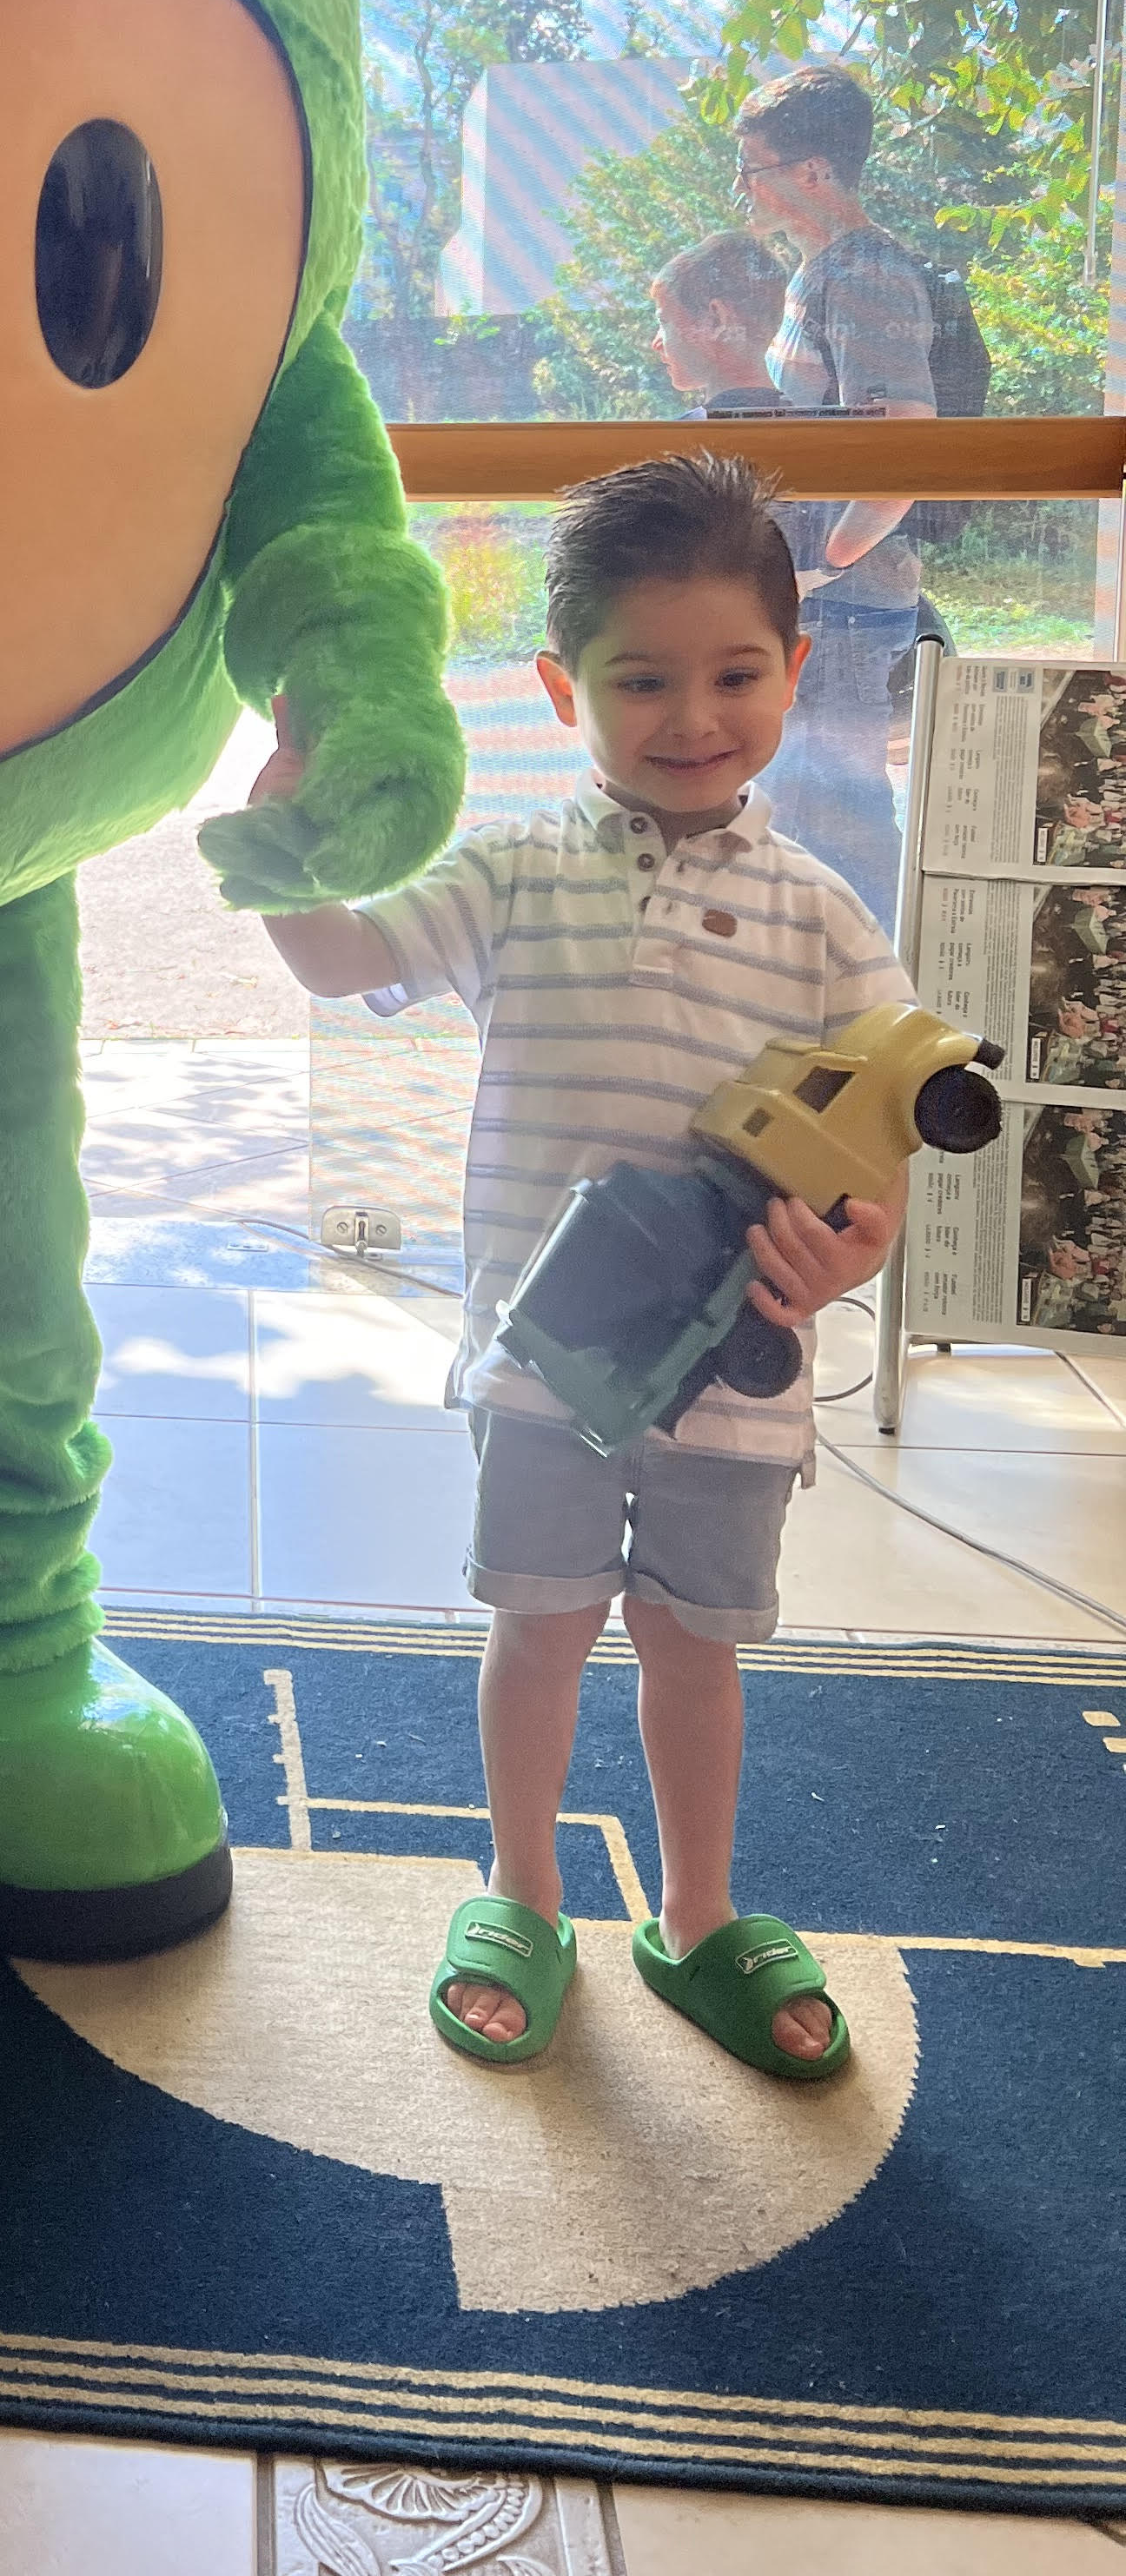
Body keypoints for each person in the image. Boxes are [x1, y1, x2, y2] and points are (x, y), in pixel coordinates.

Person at [248, 454, 911, 2081]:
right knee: (537, 1626)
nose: (693, 715)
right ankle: (523, 1891)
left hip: (734, 1369)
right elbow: (345, 960)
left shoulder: (826, 916)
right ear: (561, 690)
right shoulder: (512, 870)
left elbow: (880, 1142)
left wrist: (850, 1255)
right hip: (541, 1358)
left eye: (734, 675)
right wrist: (280, 849)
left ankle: (693, 1913)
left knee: (696, 1642)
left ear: (792, 672)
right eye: (640, 679)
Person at [734, 62, 937, 927]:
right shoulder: (820, 274)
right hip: (824, 604)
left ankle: (875, 1000)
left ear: (813, 172)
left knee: (839, 834)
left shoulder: (863, 274)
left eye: (753, 169)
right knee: (800, 824)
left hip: (843, 610)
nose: (742, 188)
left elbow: (902, 451)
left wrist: (819, 568)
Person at [650, 229, 789, 418]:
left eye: (664, 322)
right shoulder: (810, 423)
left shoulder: (682, 433)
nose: (656, 344)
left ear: (716, 320)